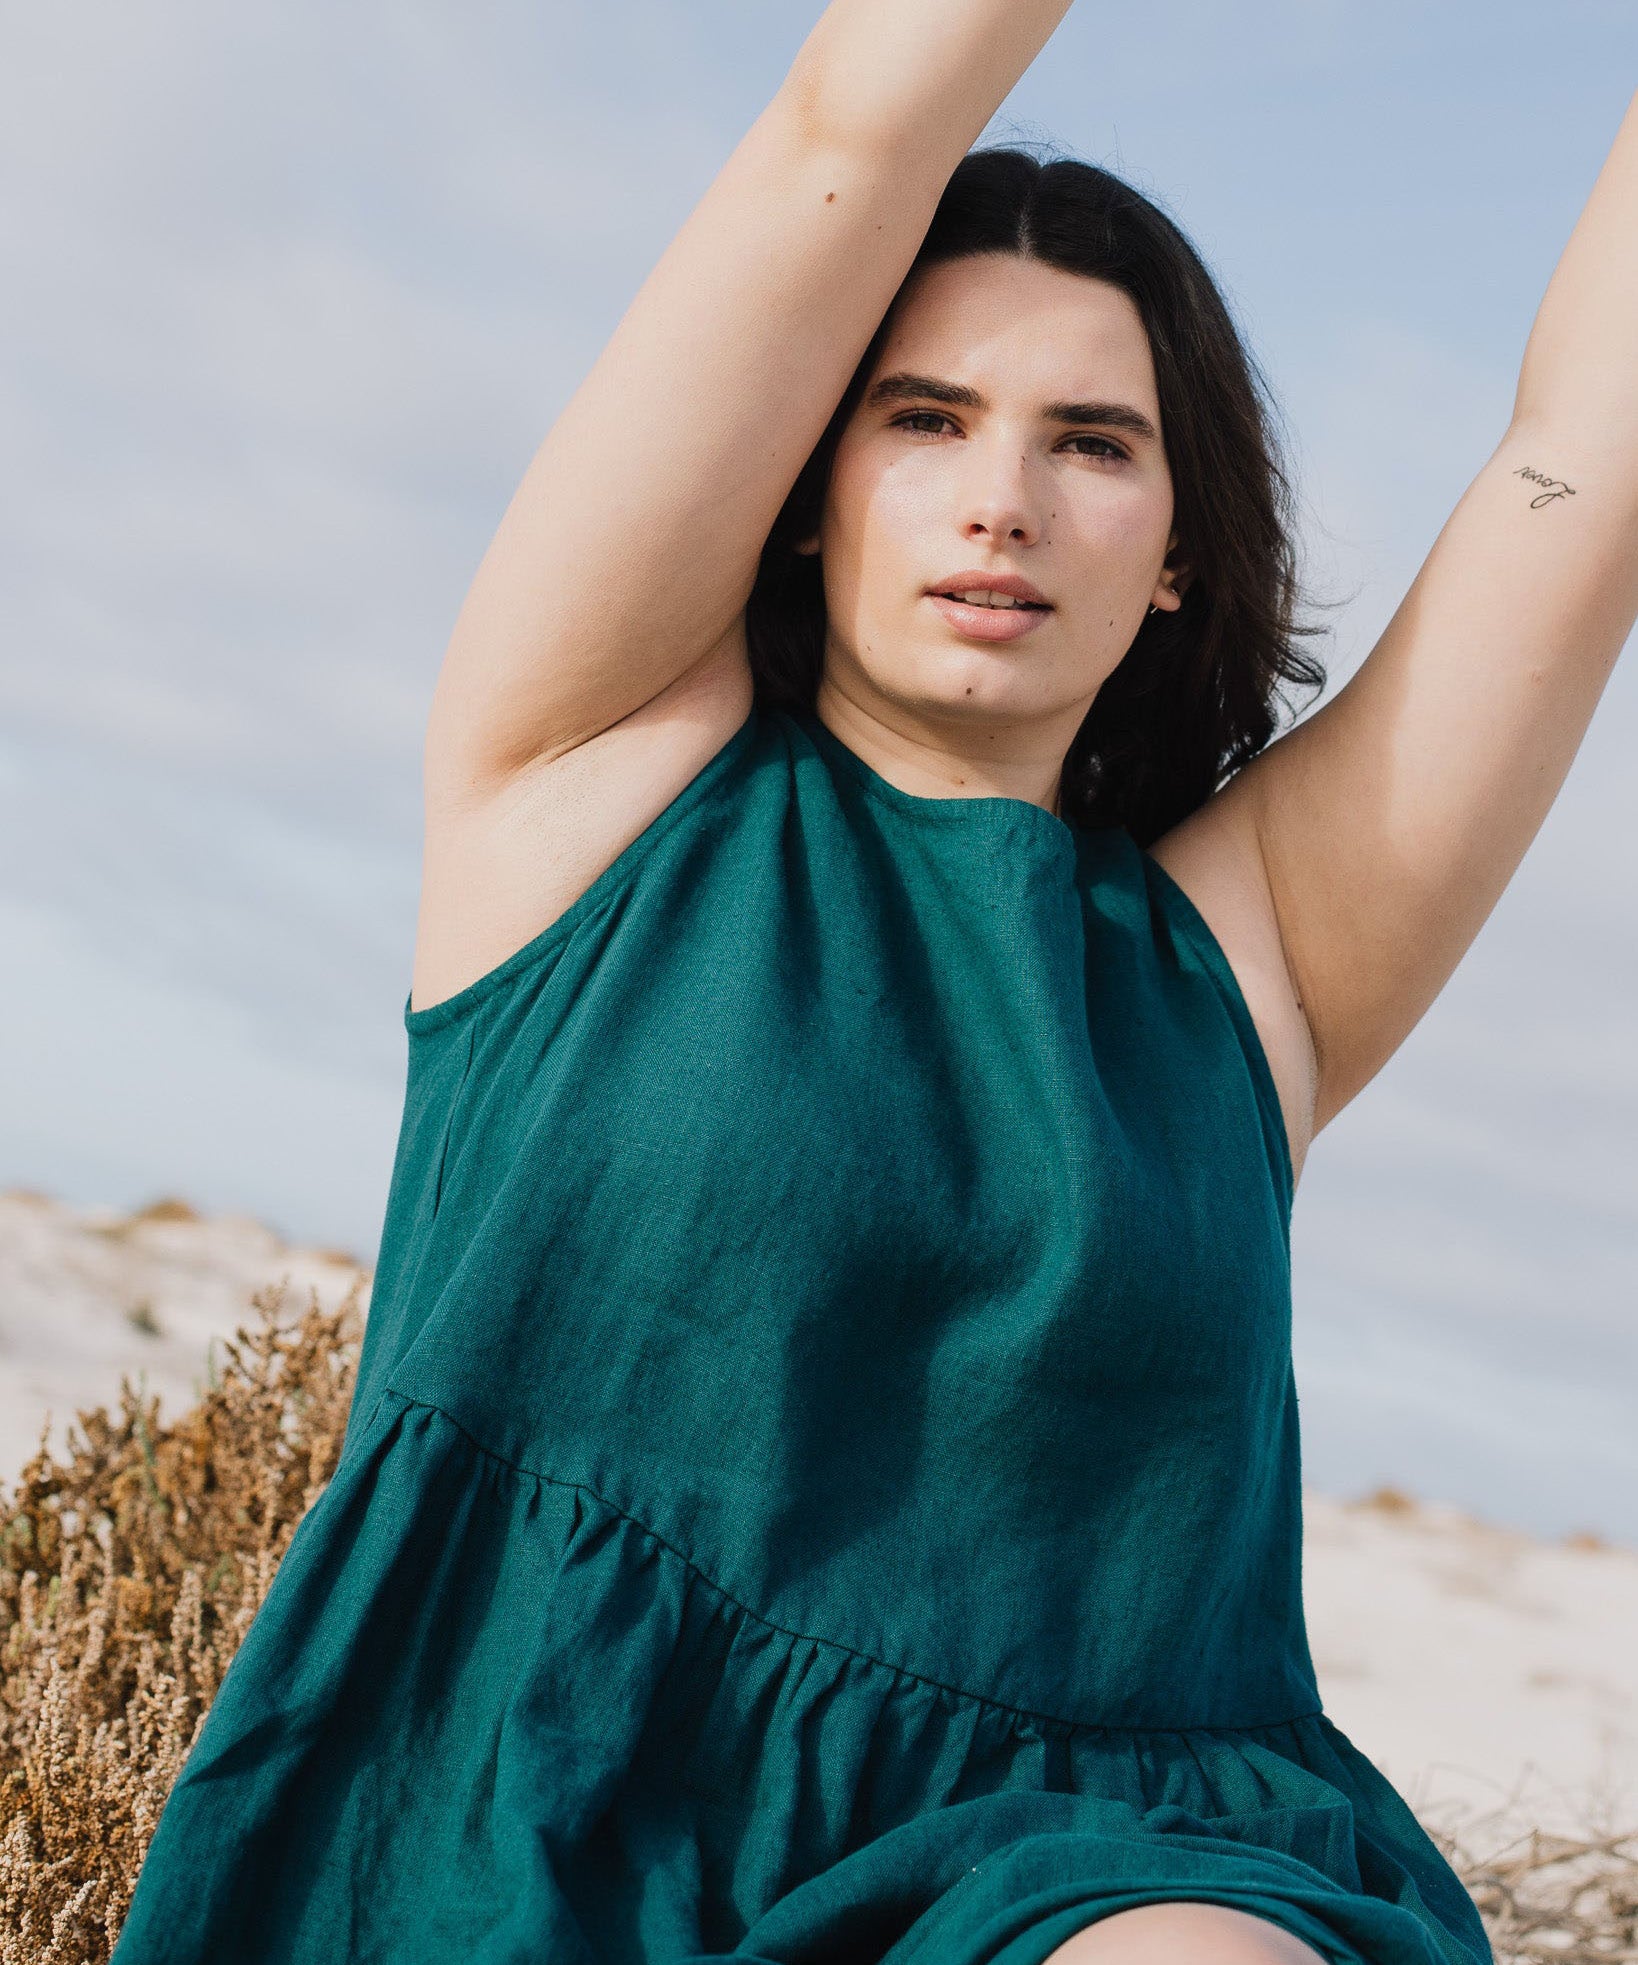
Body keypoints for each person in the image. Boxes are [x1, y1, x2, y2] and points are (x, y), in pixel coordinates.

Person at [112, 3, 1638, 1961]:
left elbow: (1584, 462)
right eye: (925, 418)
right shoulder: (588, 772)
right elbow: (849, 121)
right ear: (809, 477)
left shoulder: (1251, 958)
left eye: (1094, 443)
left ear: (1180, 548)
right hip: (511, 1843)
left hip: (1087, 1869)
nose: (1004, 499)